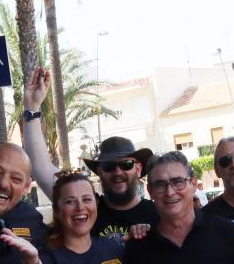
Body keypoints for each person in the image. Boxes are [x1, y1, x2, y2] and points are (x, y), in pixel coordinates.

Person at [23, 67, 158, 240]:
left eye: (126, 165)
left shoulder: (158, 213)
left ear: (138, 169)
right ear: (99, 171)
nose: (117, 172)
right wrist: (32, 106)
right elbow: (41, 168)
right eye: (109, 166)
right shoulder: (85, 209)